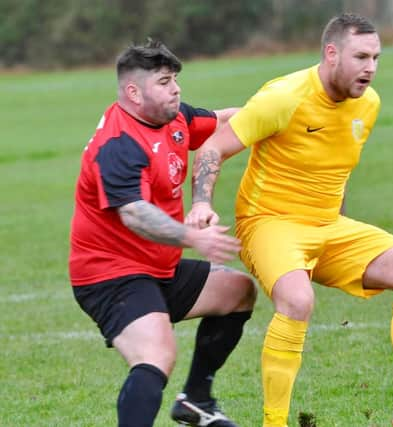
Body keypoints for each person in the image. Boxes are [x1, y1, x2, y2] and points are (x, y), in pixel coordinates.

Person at [187, 13, 393, 427]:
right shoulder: (284, 96)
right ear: (331, 53)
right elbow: (213, 147)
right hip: (268, 223)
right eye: (361, 56)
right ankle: (275, 422)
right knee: (298, 301)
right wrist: (200, 204)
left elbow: (335, 169)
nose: (370, 68)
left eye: (376, 57)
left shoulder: (369, 104)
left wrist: (333, 234)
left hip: (326, 225)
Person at [69, 39, 257, 427]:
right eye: (165, 81)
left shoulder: (172, 119)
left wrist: (278, 114)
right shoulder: (118, 144)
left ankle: (197, 402)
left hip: (157, 268)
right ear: (134, 92)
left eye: (176, 80)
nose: (177, 89)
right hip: (109, 275)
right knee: (156, 355)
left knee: (238, 291)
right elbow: (134, 214)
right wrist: (193, 238)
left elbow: (225, 121)